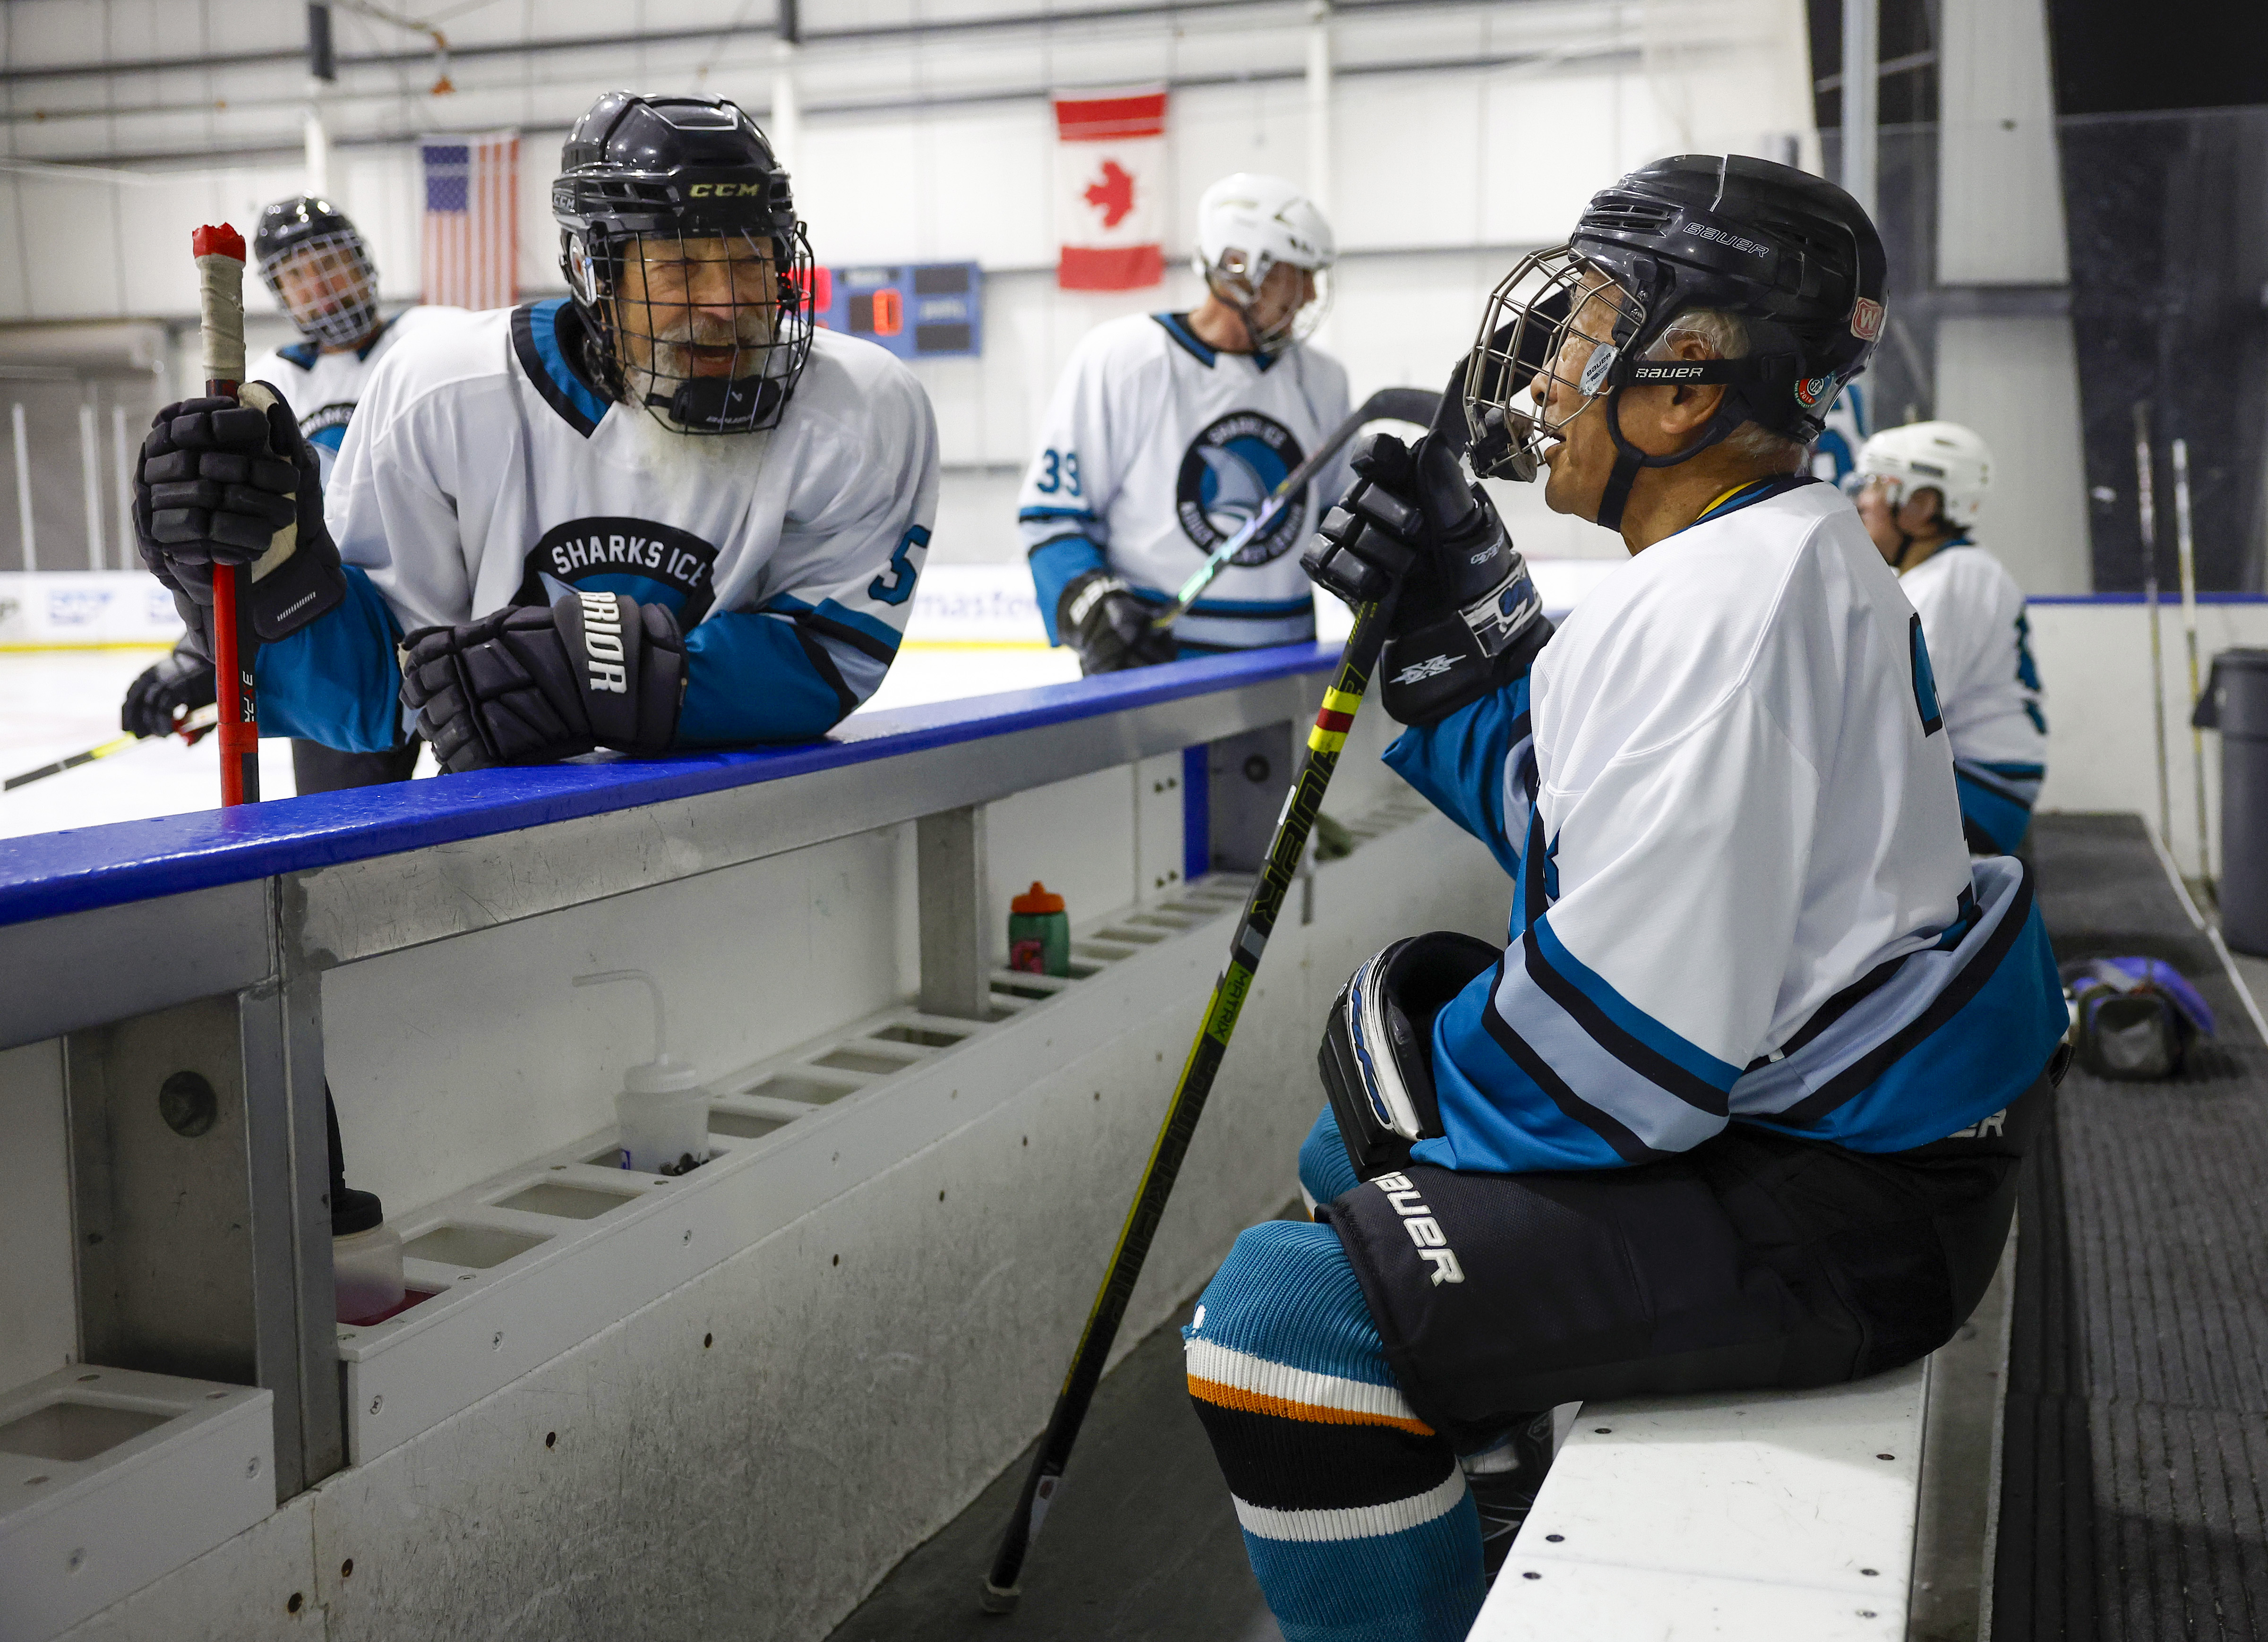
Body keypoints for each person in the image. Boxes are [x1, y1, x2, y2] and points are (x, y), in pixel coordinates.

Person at [1182, 155, 2068, 1642]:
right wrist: (1462, 618)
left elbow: (1619, 1082)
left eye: (1593, 321)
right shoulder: (1769, 555)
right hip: (1870, 1144)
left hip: (1853, 1215)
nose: (1550, 365)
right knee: (1356, 1139)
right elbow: (1579, 814)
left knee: (1282, 1322)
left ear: (1688, 383)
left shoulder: (1717, 615)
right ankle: (1476, 1467)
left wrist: (1421, 1080)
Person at [131, 92, 937, 774]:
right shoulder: (440, 394)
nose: (728, 304)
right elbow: (382, 693)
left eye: (751, 261)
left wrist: (608, 677)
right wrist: (267, 590)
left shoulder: (862, 415)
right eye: (682, 267)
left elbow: (831, 659)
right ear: (594, 270)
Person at [120, 195, 456, 792]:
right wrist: (203, 653)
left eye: (329, 263)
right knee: (348, 855)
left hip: (455, 608)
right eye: (298, 276)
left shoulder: (435, 342)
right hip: (334, 630)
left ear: (363, 262)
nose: (320, 287)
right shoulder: (273, 382)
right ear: (281, 294)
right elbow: (247, 524)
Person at [1021, 173, 1349, 672]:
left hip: (1287, 674)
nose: (1307, 295)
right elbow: (1052, 516)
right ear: (1242, 265)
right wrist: (1095, 608)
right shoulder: (1123, 359)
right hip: (1156, 671)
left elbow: (1341, 524)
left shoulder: (1322, 381)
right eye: (1296, 272)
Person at [1856, 421, 2046, 853]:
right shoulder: (1946, 573)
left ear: (1922, 504)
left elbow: (1902, 711)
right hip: (1982, 783)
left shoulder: (1953, 579)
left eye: (1877, 484)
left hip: (1982, 791)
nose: (1863, 500)